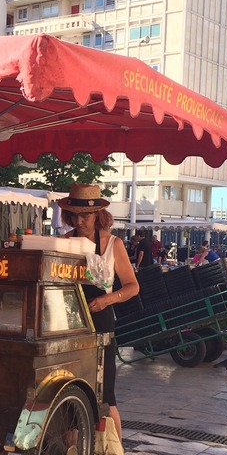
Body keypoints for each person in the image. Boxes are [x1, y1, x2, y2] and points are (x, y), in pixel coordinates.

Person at [58, 183, 139, 440]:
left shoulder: (113, 244)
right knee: (69, 389)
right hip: (69, 322)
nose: (80, 221)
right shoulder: (63, 243)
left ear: (98, 215)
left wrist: (107, 300)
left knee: (106, 394)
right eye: (75, 216)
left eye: (86, 216)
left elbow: (133, 287)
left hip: (101, 321)